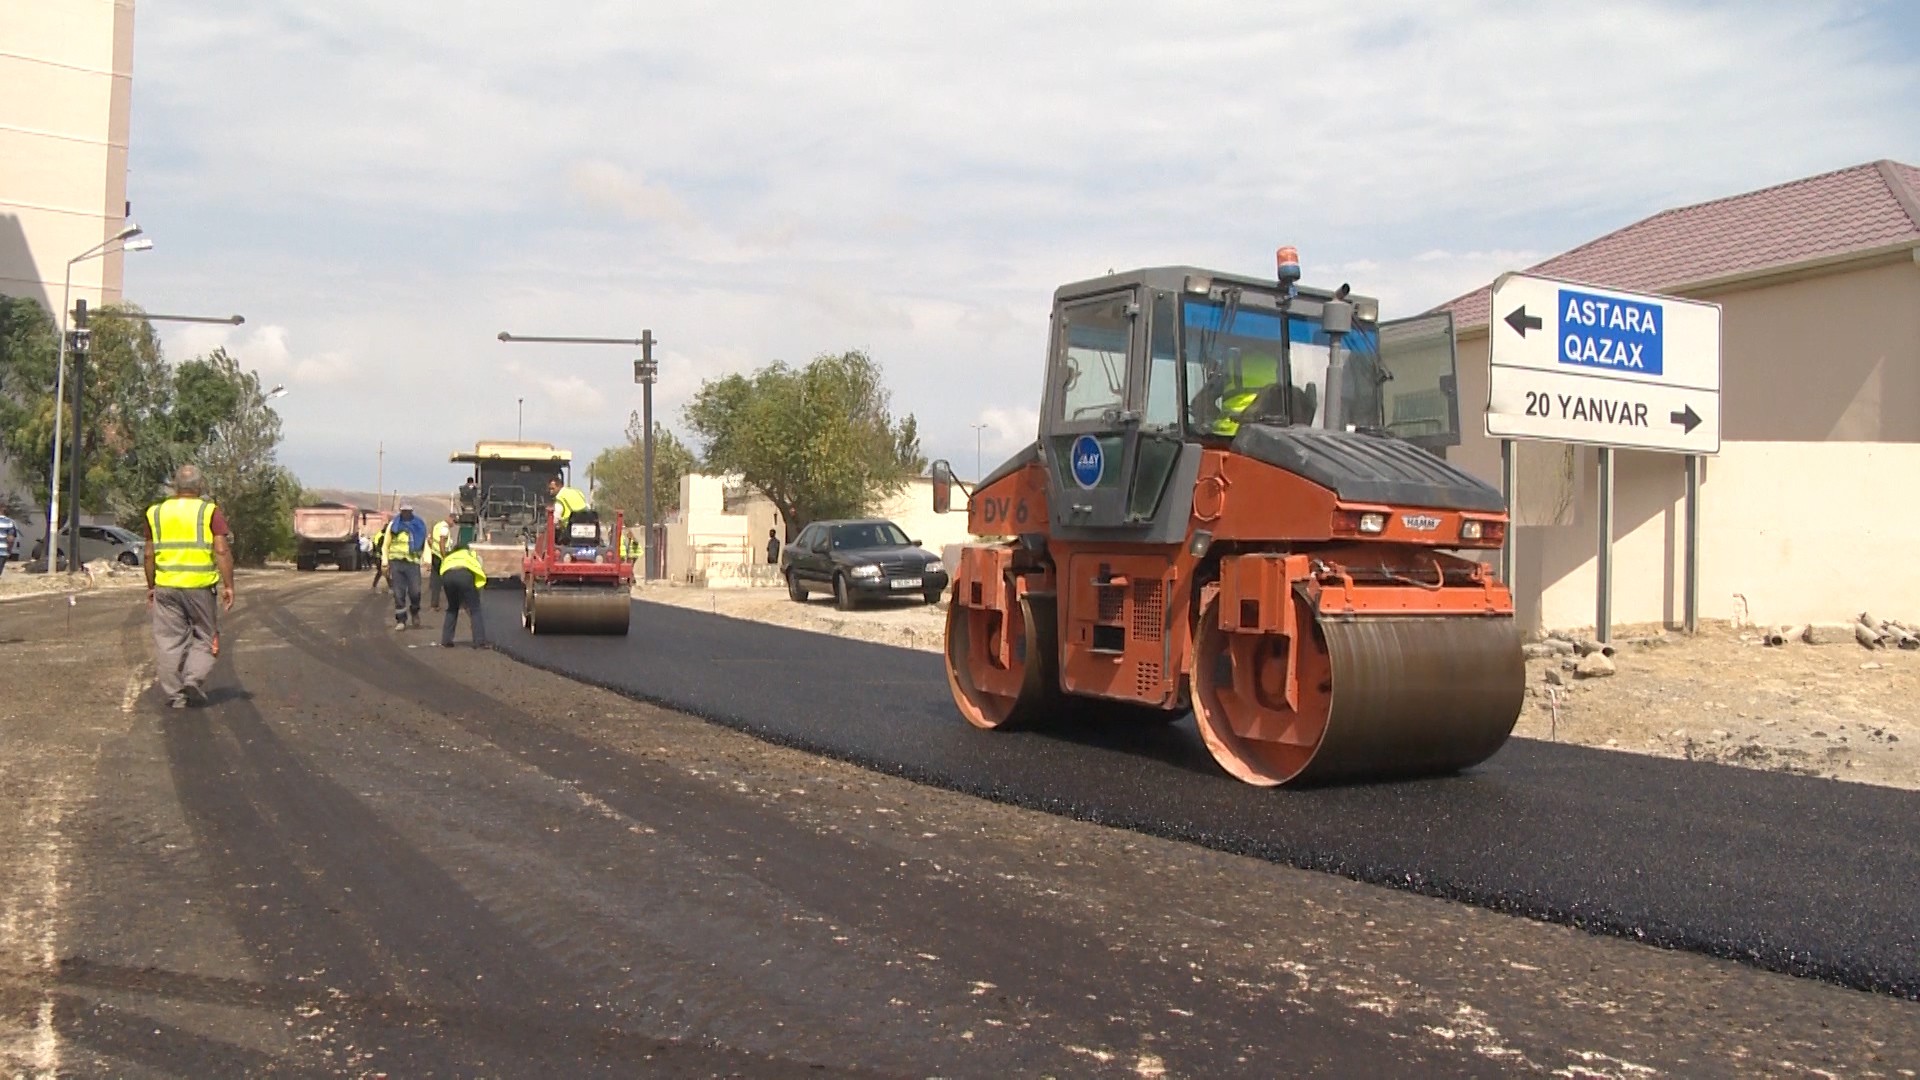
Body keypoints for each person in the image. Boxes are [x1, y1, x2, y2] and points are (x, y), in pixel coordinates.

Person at [143, 464, 234, 709]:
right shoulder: (209, 511)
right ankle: (193, 679)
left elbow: (149, 554)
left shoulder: (155, 513)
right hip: (200, 587)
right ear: (199, 486)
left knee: (168, 642)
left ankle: (176, 695)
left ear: (175, 486)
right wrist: (229, 585)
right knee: (205, 637)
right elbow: (222, 550)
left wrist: (151, 585)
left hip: (166, 587)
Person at [437, 540, 489, 648]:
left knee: (452, 608)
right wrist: (476, 592)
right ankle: (479, 641)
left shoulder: (449, 557)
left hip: (448, 576)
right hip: (464, 575)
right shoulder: (470, 554)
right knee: (475, 609)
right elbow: (478, 569)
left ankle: (446, 640)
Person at [385, 503, 428, 630]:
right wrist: (384, 561)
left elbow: (424, 544)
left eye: (408, 511)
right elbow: (386, 544)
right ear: (400, 512)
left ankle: (414, 611)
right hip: (396, 562)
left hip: (412, 563)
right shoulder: (394, 525)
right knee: (398, 593)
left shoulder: (418, 526)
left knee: (415, 592)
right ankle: (401, 620)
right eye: (403, 511)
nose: (406, 514)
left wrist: (427, 560)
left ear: (412, 512)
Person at [426, 511, 455, 611]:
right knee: (449, 581)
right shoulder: (444, 528)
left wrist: (433, 550)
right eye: (454, 522)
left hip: (435, 556)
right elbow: (442, 542)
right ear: (451, 519)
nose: (453, 525)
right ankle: (454, 605)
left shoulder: (437, 526)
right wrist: (444, 557)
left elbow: (429, 540)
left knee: (436, 582)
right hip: (441, 558)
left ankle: (434, 605)